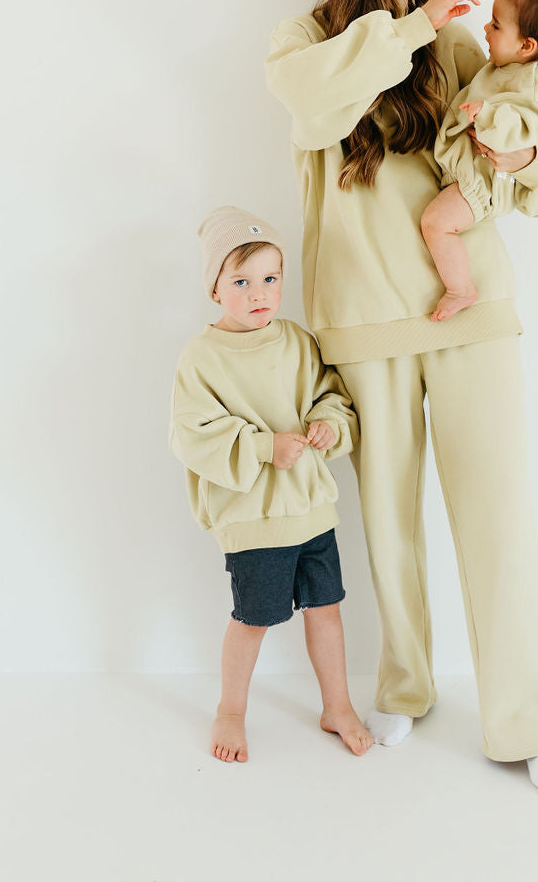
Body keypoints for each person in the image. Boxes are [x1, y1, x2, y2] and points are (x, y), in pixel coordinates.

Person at [265, 0, 538, 801]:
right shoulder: (305, 44)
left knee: (498, 518)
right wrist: (413, 23)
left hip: (470, 308)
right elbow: (317, 105)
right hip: (365, 322)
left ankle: (528, 722)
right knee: (389, 527)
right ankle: (405, 685)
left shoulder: (450, 50)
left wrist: (522, 152)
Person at [169, 205, 371, 764]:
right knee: (253, 618)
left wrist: (328, 423)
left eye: (270, 278)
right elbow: (193, 434)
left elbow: (329, 390)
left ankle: (338, 705)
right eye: (241, 281)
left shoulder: (296, 341)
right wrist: (264, 446)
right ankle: (231, 710)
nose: (259, 293)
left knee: (326, 608)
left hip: (311, 509)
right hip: (254, 520)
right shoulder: (202, 357)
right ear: (215, 288)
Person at [422, 0, 538, 321]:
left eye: (495, 25)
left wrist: (488, 114)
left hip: (486, 184)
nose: (486, 31)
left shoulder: (536, 85)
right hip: (476, 175)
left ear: (526, 46)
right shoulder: (508, 68)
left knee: (436, 223)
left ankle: (460, 289)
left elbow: (525, 127)